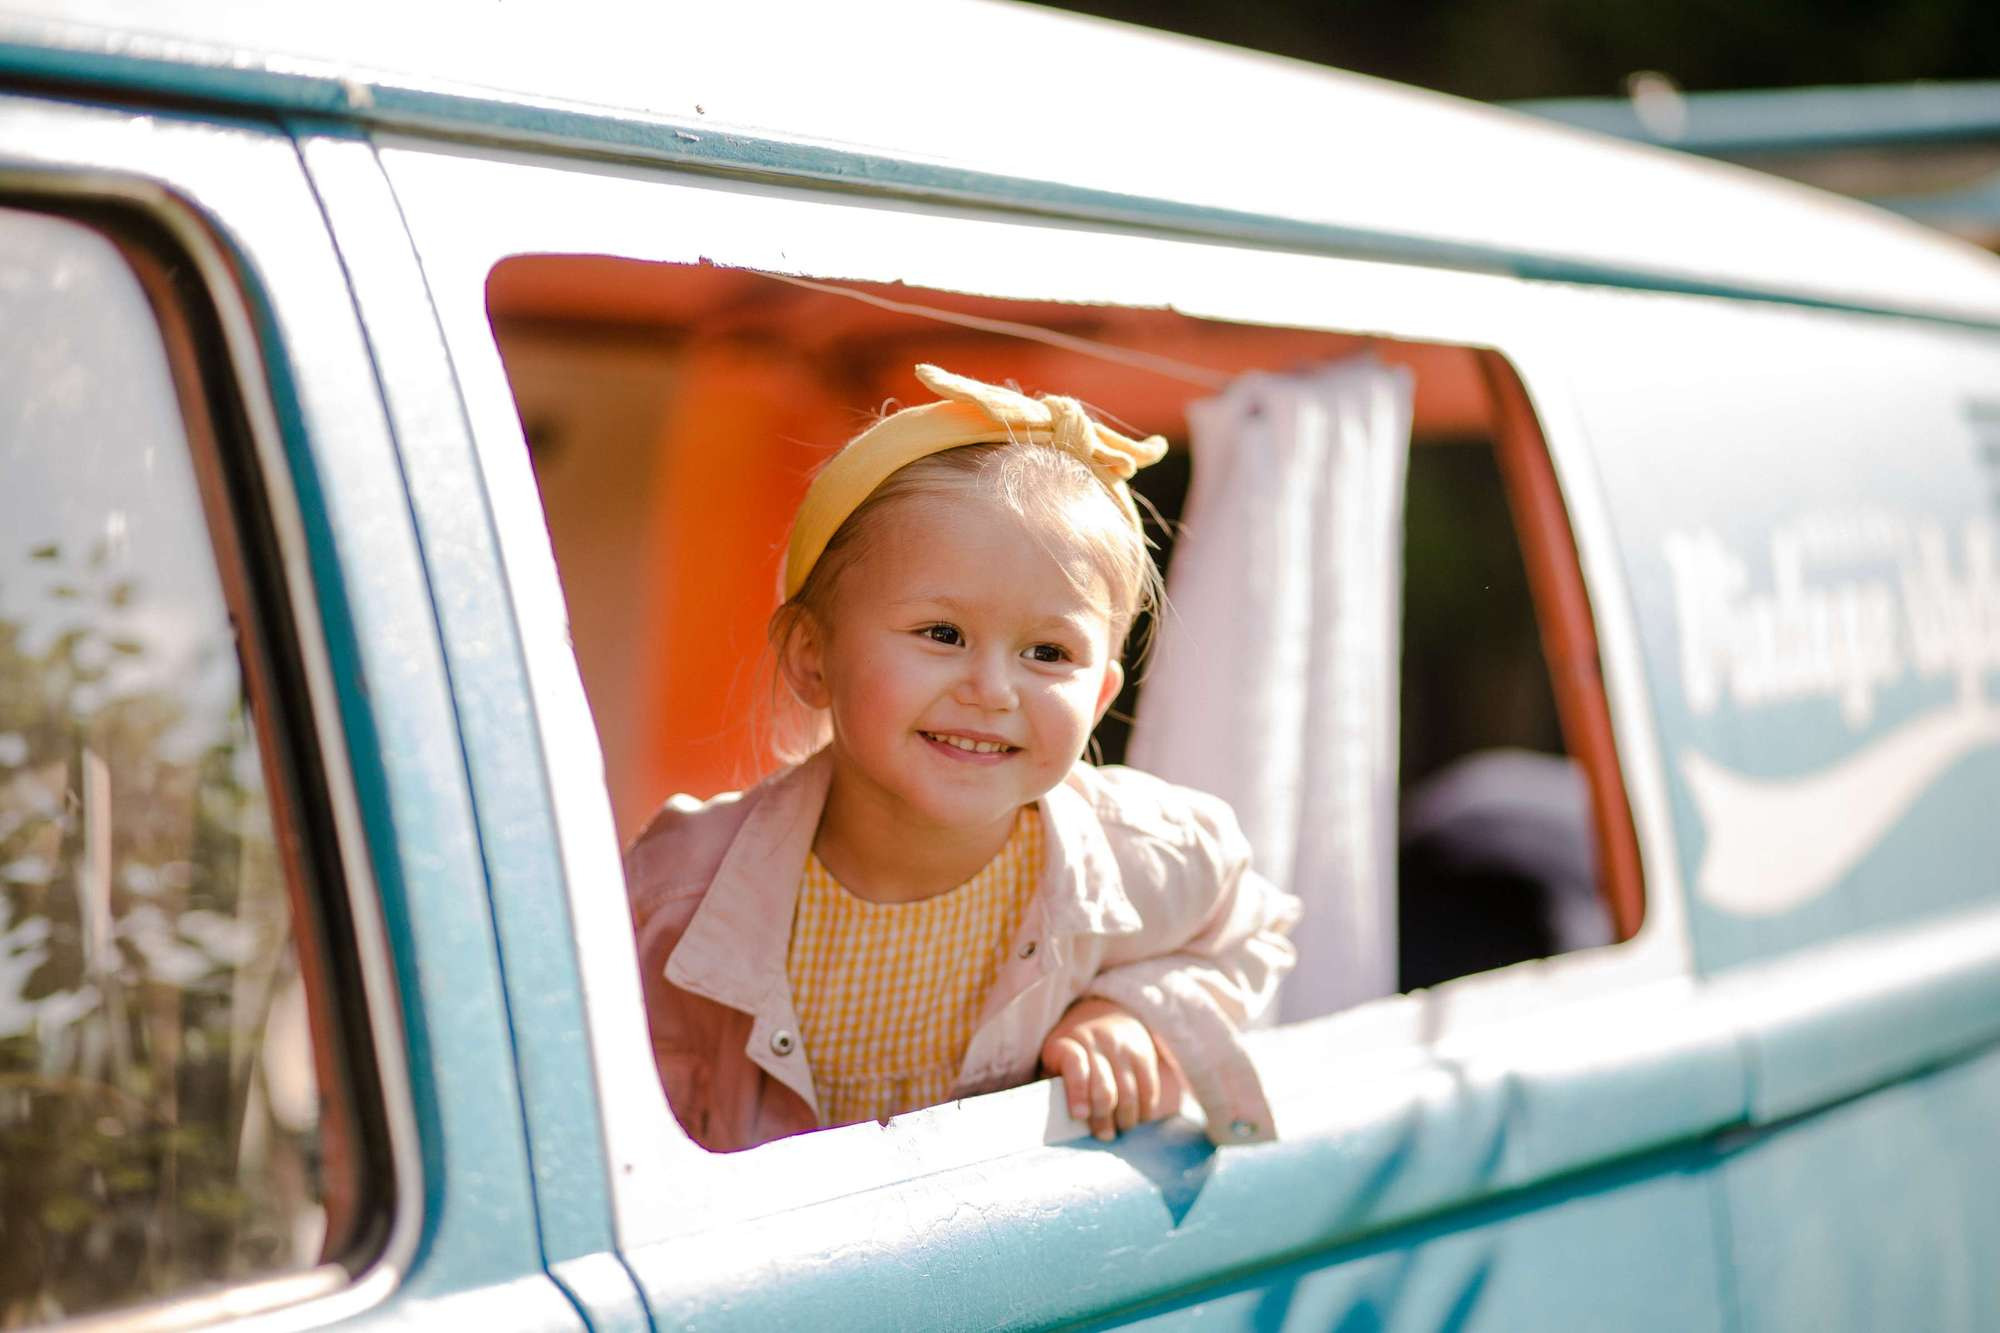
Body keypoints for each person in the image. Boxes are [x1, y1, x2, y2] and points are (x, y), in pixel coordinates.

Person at [624, 364, 1300, 1153]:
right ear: (813, 655)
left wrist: (1134, 1008)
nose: (992, 688)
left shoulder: (1152, 853)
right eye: (942, 634)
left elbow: (1252, 934)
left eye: (1047, 652)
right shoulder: (671, 894)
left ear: (1102, 690)